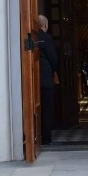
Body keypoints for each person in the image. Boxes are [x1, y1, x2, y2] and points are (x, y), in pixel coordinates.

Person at [36, 14, 59, 144]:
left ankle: (34, 136)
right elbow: (53, 57)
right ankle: (45, 137)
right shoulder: (45, 37)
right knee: (47, 108)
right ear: (45, 25)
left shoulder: (32, 36)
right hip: (45, 79)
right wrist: (55, 69)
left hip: (33, 80)